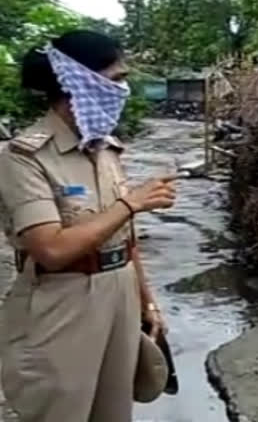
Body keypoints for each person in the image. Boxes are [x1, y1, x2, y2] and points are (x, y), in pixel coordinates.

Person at [0, 30, 176, 422]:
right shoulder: (24, 157)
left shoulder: (105, 148)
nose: (123, 90)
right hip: (63, 304)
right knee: (61, 412)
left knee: (113, 415)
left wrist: (147, 302)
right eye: (114, 80)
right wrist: (132, 203)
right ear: (79, 82)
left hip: (119, 299)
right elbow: (52, 249)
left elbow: (125, 240)